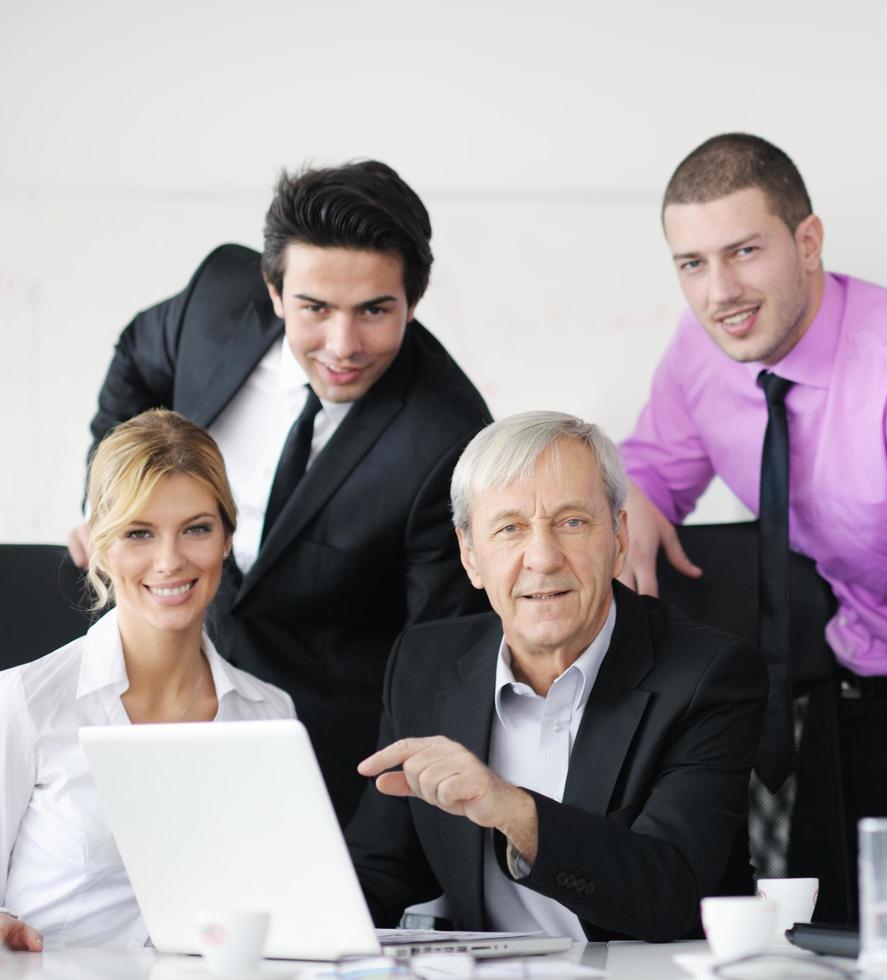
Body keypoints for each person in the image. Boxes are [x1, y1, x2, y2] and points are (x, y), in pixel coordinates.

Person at [618, 133, 887, 921]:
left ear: (808, 241)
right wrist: (633, 506)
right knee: (819, 946)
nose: (719, 290)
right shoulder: (703, 351)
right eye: (692, 264)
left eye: (744, 251)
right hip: (846, 688)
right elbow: (653, 464)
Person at [71, 160, 491, 825]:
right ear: (273, 289)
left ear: (415, 295)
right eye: (315, 309)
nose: (342, 346)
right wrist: (107, 500)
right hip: (152, 694)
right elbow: (136, 359)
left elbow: (434, 660)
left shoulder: (451, 439)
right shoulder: (215, 297)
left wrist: (378, 841)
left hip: (320, 750)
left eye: (376, 311)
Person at [345, 412, 766, 942]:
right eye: (509, 529)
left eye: (572, 522)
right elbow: (383, 870)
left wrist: (512, 810)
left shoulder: (709, 676)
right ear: (470, 557)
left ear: (618, 538)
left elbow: (670, 894)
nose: (542, 558)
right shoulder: (423, 664)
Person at [1, 410, 295, 951]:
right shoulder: (24, 703)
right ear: (101, 546)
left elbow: (284, 920)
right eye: (139, 532)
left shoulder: (268, 716)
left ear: (226, 538)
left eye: (196, 529)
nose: (169, 560)